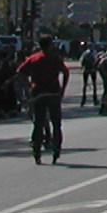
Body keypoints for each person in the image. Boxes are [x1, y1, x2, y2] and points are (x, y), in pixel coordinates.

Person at [16, 36, 70, 165]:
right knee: (56, 124)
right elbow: (65, 72)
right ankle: (56, 150)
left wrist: (28, 86)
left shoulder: (33, 58)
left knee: (38, 124)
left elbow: (20, 72)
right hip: (53, 93)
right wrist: (62, 89)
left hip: (38, 93)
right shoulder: (55, 58)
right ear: (50, 45)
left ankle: (37, 152)